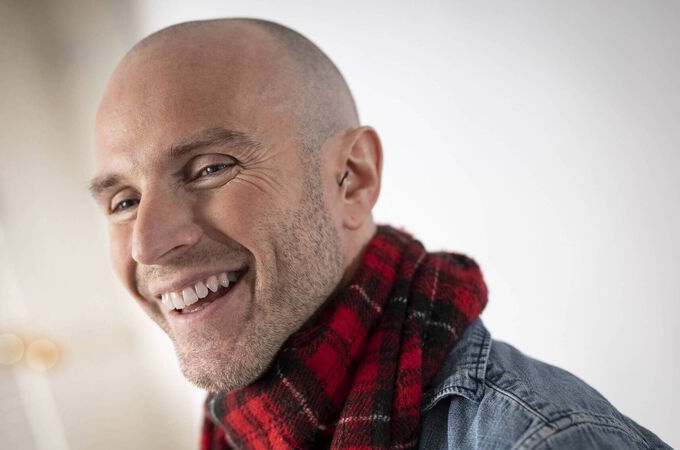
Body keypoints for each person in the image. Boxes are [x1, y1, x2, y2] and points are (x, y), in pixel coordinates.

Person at [89, 18, 669, 450]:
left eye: (210, 168)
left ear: (352, 178)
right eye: (124, 201)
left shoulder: (540, 440)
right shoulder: (243, 428)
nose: (147, 244)